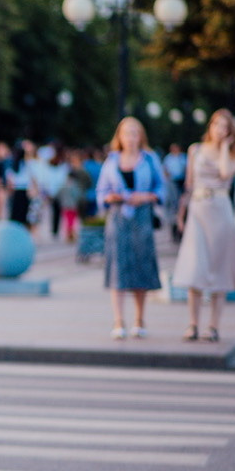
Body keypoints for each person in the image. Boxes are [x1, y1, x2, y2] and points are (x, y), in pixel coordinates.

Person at [173, 108, 235, 342]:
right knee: (195, 267)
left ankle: (213, 326)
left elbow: (226, 174)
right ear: (210, 126)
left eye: (225, 127)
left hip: (220, 208)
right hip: (198, 208)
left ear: (230, 132)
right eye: (217, 125)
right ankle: (193, 324)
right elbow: (189, 184)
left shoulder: (234, 154)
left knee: (219, 268)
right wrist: (181, 213)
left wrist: (226, 147)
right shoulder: (195, 150)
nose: (220, 130)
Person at [95, 117, 165, 339]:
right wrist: (110, 197)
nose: (131, 138)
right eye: (126, 133)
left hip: (141, 217)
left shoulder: (149, 159)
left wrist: (145, 196)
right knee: (118, 266)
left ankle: (139, 318)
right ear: (120, 137)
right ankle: (118, 320)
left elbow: (162, 188)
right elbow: (100, 192)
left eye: (134, 133)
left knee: (140, 266)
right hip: (118, 218)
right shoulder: (111, 161)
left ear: (140, 136)